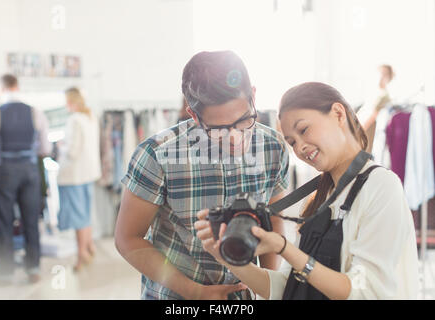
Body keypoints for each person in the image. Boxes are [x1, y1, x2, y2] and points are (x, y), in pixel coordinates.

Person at [195, 82, 420, 300]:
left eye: (304, 130)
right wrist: (224, 256)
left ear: (338, 113)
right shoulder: (318, 200)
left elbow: (366, 291)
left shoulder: (381, 186)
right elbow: (286, 287)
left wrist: (283, 248)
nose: (300, 147)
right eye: (292, 142)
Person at [115, 50, 290, 300]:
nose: (235, 138)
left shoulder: (273, 146)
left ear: (253, 96)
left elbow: (272, 222)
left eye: (244, 121)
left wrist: (268, 288)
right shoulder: (157, 154)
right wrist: (194, 291)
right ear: (194, 115)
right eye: (219, 129)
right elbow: (128, 239)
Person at [0, 74, 52, 284]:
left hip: (4, 170)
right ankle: (33, 268)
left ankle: (5, 272)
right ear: (17, 86)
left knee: (4, 221)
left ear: (2, 88)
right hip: (29, 171)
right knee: (31, 220)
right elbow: (45, 148)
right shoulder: (35, 112)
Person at [56, 87, 101, 272]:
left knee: (78, 217)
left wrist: (60, 147)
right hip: (89, 173)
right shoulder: (90, 118)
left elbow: (72, 151)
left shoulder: (74, 120)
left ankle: (81, 254)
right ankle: (89, 246)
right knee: (85, 214)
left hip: (74, 175)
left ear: (71, 101)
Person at [358, 64, 395, 153]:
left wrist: (356, 132)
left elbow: (371, 116)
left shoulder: (384, 96)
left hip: (366, 134)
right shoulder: (373, 93)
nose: (381, 77)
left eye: (384, 74)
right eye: (380, 73)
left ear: (389, 78)